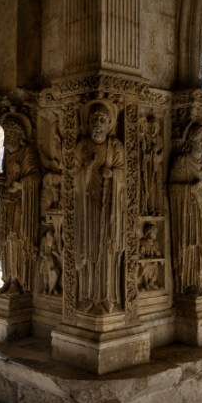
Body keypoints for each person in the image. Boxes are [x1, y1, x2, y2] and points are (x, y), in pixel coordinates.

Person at [74, 101, 125, 314]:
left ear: (110, 124)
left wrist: (113, 174)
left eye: (103, 120)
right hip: (86, 210)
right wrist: (86, 169)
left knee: (108, 253)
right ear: (87, 122)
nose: (98, 124)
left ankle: (108, 297)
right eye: (94, 119)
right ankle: (86, 295)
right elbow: (72, 176)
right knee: (88, 250)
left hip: (110, 210)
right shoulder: (82, 147)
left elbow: (127, 175)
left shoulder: (115, 148)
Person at [0, 113, 40, 295]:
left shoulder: (27, 152)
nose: (7, 138)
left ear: (18, 135)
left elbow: (36, 176)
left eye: (10, 134)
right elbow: (6, 175)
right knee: (5, 240)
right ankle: (8, 278)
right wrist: (1, 180)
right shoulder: (7, 154)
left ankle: (18, 280)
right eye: (5, 135)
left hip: (22, 204)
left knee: (17, 240)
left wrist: (20, 185)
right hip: (7, 203)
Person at [169, 122, 202, 296]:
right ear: (191, 140)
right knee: (187, 246)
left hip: (200, 212)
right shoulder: (182, 162)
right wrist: (191, 189)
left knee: (200, 246)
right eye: (200, 139)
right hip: (185, 214)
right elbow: (171, 189)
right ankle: (185, 285)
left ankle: (197, 282)